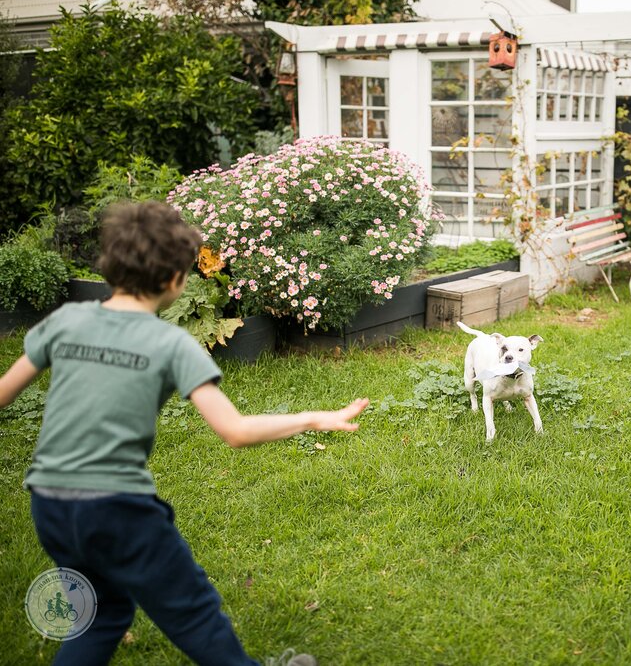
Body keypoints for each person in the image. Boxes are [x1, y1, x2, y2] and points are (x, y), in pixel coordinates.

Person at [0, 201, 369, 665]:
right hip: (119, 510)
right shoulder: (170, 342)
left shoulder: (66, 320)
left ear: (110, 264)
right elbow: (234, 430)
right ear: (175, 279)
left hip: (49, 503)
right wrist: (316, 418)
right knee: (193, 614)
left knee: (100, 613)